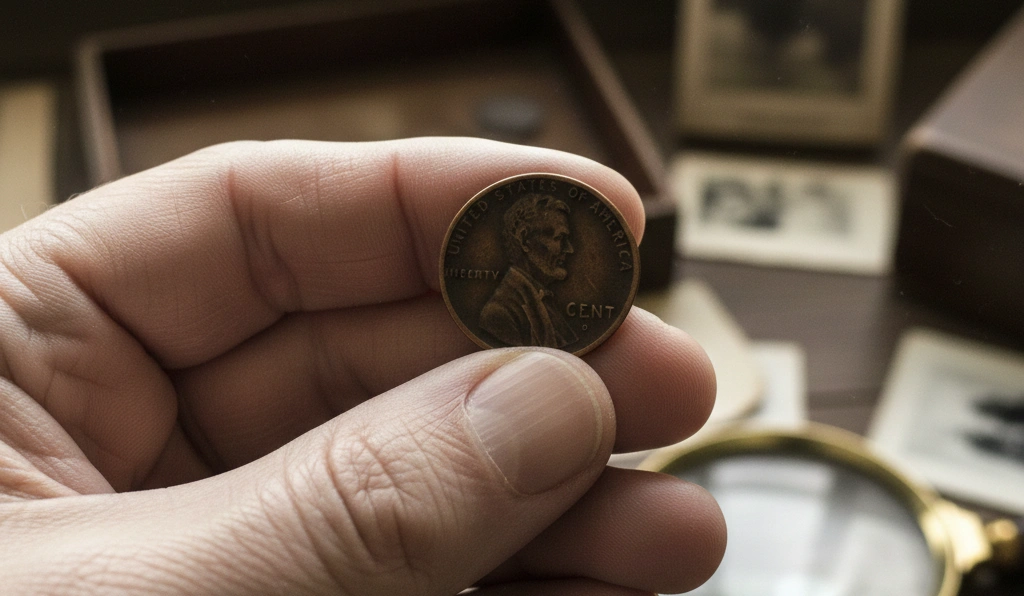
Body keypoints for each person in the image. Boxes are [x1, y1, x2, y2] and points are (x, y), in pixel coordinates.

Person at [0, 137, 724, 595]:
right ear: (525, 243)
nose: (569, 257)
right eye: (556, 242)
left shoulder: (529, 313)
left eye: (570, 245)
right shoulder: (507, 316)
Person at [480, 192, 578, 348]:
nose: (569, 249)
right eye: (559, 238)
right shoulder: (500, 313)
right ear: (525, 239)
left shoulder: (542, 301)